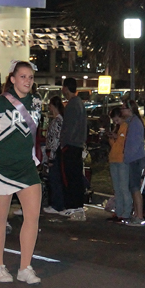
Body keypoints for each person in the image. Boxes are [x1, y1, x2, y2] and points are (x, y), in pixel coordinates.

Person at [0, 60, 43, 284]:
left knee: (33, 216)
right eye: (23, 76)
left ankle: (25, 267)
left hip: (26, 166)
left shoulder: (37, 101)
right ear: (13, 79)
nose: (27, 81)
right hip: (2, 167)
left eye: (30, 77)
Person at [60, 77, 87, 221]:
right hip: (78, 144)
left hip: (70, 145)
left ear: (65, 88)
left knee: (70, 176)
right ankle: (77, 206)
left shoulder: (71, 105)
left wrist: (63, 143)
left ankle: (72, 206)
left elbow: (69, 128)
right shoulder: (79, 103)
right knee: (76, 176)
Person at [121, 99, 145, 225]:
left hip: (135, 159)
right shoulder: (132, 122)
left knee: (135, 187)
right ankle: (136, 213)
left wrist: (128, 156)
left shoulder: (135, 123)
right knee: (133, 187)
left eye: (123, 108)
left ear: (129, 109)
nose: (122, 110)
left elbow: (135, 143)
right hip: (133, 158)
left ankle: (139, 215)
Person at [107, 106, 131, 223]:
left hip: (122, 159)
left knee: (123, 187)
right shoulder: (118, 128)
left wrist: (116, 137)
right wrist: (111, 138)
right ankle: (118, 211)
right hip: (114, 159)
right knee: (117, 187)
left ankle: (126, 212)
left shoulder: (125, 127)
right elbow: (115, 144)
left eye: (117, 120)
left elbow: (123, 142)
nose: (116, 122)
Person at [44, 95, 65, 215]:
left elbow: (55, 140)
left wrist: (51, 156)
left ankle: (57, 204)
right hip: (57, 152)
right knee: (56, 179)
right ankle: (58, 204)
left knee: (54, 179)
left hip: (55, 153)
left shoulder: (57, 121)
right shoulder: (60, 120)